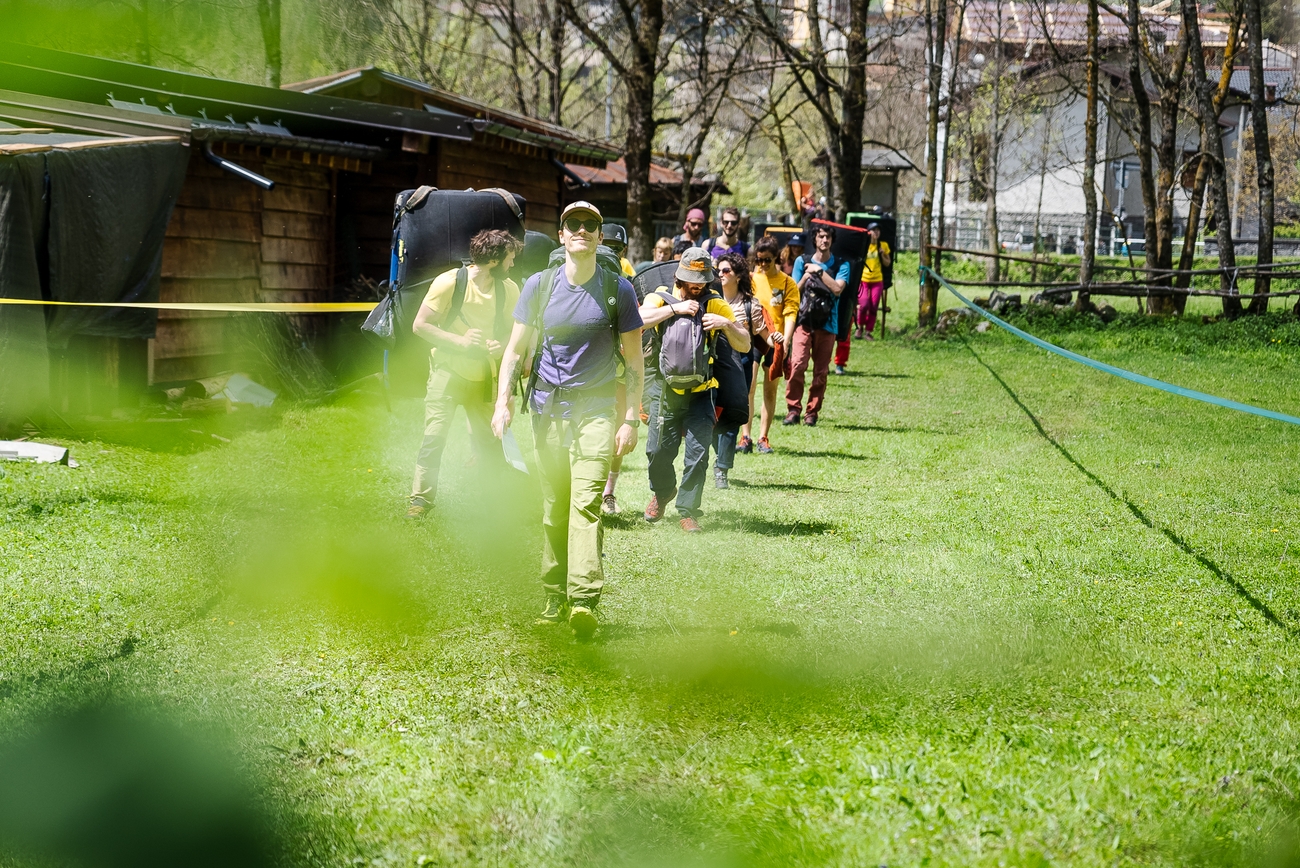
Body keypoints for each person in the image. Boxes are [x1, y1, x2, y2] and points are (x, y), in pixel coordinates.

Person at [492, 201, 644, 639]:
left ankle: (582, 600)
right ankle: (553, 594)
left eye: (590, 225)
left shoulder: (619, 291)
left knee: (586, 502)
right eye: (573, 224)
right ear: (562, 235)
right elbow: (514, 350)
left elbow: (634, 361)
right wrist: (503, 401)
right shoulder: (539, 286)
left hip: (596, 410)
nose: (581, 230)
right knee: (555, 506)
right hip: (547, 410)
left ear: (599, 236)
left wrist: (630, 417)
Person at [408, 229, 522, 518]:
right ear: (495, 261)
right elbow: (420, 326)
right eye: (510, 259)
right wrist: (459, 342)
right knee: (434, 437)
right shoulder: (449, 283)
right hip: (447, 374)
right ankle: (420, 501)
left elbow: (514, 333)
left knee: (492, 441)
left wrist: (501, 345)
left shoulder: (509, 289)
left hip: (486, 376)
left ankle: (493, 505)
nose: (513, 265)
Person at [639, 248, 750, 532]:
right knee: (656, 451)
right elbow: (638, 321)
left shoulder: (714, 303)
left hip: (703, 392)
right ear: (679, 275)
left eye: (702, 280)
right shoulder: (660, 296)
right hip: (665, 391)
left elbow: (745, 344)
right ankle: (663, 492)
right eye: (692, 280)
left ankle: (688, 510)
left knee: (698, 455)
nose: (697, 286)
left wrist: (726, 324)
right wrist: (675, 309)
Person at [711, 252, 768, 488]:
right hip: (712, 361)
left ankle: (722, 468)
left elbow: (763, 336)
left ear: (737, 276)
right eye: (719, 271)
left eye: (726, 271)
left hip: (740, 363)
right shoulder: (710, 298)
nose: (721, 275)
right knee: (711, 414)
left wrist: (776, 339)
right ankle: (720, 455)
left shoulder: (750, 304)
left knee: (732, 416)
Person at [786, 224, 850, 427]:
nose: (825, 240)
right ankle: (793, 410)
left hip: (828, 324)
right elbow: (793, 292)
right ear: (815, 239)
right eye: (821, 236)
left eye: (828, 237)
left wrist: (820, 271)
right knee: (797, 365)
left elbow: (838, 289)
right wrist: (806, 275)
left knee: (820, 372)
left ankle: (812, 413)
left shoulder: (841, 265)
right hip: (803, 323)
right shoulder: (801, 262)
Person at [747, 234, 799, 454]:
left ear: (776, 258)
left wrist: (785, 342)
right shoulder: (750, 280)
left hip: (776, 340)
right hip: (753, 338)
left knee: (770, 391)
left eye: (767, 260)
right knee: (748, 388)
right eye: (759, 260)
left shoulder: (787, 282)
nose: (763, 265)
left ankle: (763, 437)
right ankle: (745, 436)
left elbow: (790, 313)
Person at [854, 222, 891, 340]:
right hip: (864, 280)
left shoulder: (883, 245)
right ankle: (860, 327)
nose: (876, 233)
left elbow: (887, 263)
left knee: (874, 306)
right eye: (873, 230)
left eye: (878, 230)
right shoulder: (864, 245)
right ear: (868, 232)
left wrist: (883, 254)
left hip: (877, 280)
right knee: (864, 305)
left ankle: (868, 332)